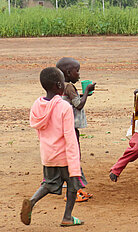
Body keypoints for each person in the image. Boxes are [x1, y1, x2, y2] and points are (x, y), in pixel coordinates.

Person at [21, 67, 85, 227]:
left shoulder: (37, 105)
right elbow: (70, 137)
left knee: (49, 183)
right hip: (65, 155)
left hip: (48, 154)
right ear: (59, 85)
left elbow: (39, 130)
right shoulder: (64, 107)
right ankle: (67, 217)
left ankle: (32, 200)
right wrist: (74, 162)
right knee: (73, 184)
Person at [57, 57, 95, 201]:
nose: (79, 74)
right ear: (68, 72)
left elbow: (70, 100)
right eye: (77, 71)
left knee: (67, 155)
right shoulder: (69, 87)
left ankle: (73, 187)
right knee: (74, 156)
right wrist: (87, 92)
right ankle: (74, 190)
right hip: (70, 127)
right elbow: (78, 105)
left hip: (61, 126)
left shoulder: (58, 85)